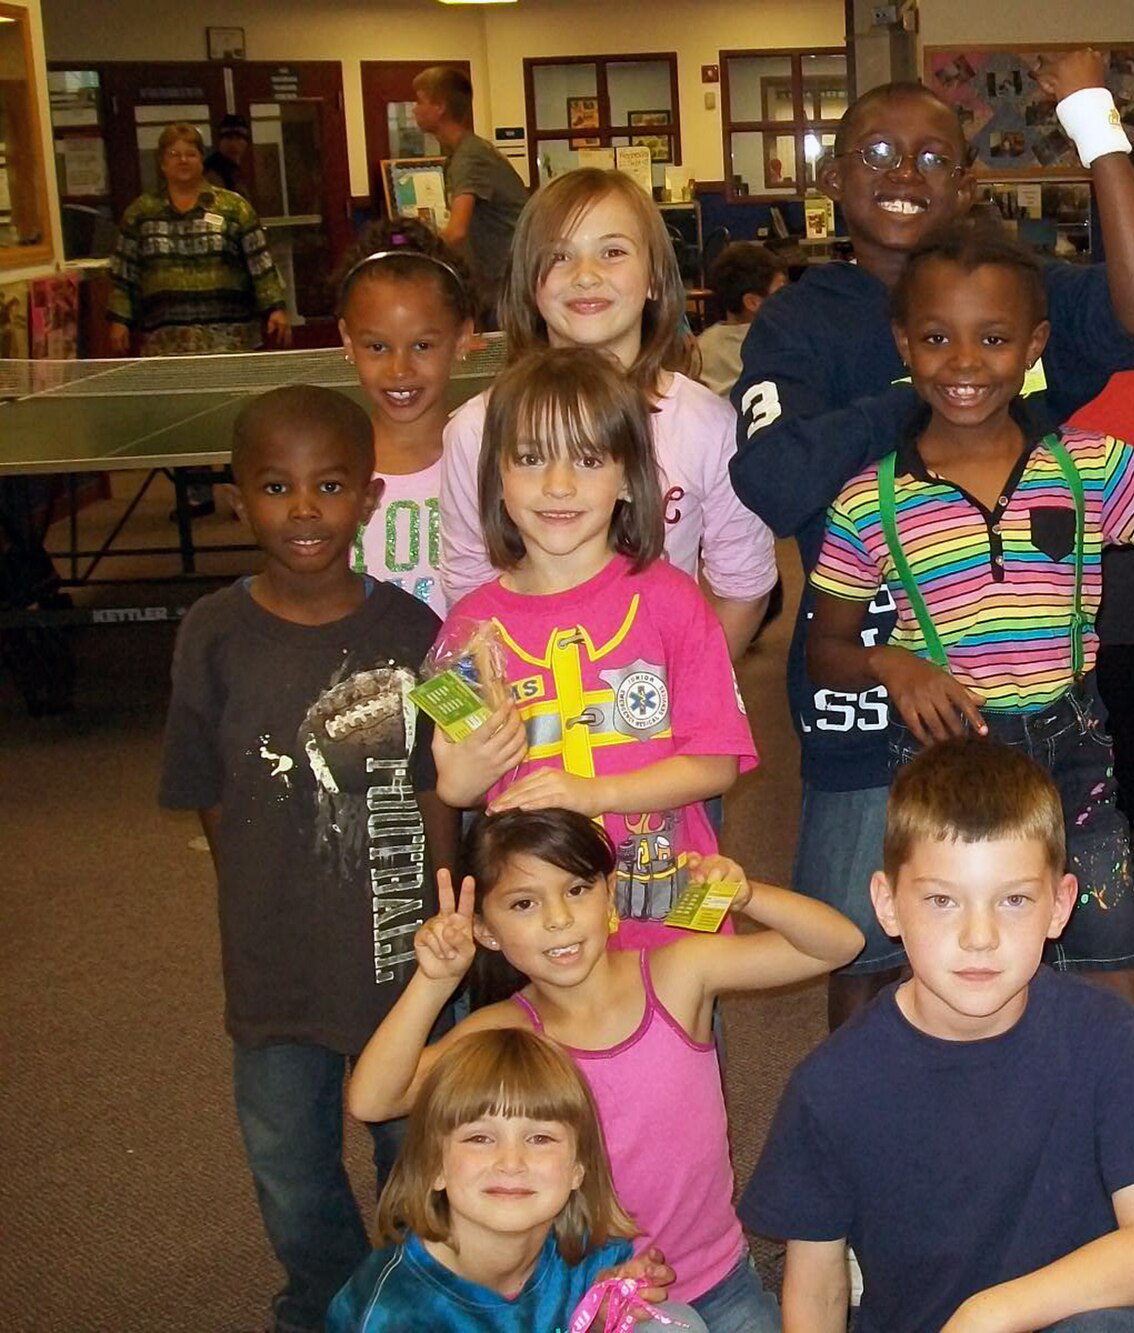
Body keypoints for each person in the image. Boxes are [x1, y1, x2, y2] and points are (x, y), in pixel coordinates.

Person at [727, 60, 1134, 1033]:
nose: (904, 171)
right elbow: (769, 479)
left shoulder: (1017, 294)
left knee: (1066, 929)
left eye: (933, 156)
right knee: (863, 944)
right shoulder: (802, 318)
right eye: (877, 153)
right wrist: (922, 391)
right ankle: (867, 1146)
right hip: (859, 709)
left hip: (1023, 698)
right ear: (834, 178)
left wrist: (1092, 121)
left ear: (967, 184)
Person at [805, 222, 1134, 1050]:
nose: (963, 362)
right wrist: (889, 665)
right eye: (936, 337)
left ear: (1034, 345)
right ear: (902, 345)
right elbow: (825, 653)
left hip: (1075, 755)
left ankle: (1123, 1125)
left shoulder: (1084, 464)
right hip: (949, 769)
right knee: (959, 967)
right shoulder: (866, 502)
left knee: (1114, 952)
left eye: (993, 339)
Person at [159, 384, 456, 1332]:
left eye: (328, 486)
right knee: (287, 1160)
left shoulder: (416, 633)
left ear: (368, 499)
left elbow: (443, 786)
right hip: (273, 958)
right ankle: (329, 1299)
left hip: (400, 961)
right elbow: (204, 782)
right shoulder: (212, 632)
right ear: (237, 498)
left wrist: (444, 920)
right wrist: (249, 888)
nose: (303, 509)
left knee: (415, 1151)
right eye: (276, 486)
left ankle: (423, 1298)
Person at [347, 809, 861, 1333]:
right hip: (590, 1299)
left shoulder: (677, 975)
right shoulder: (507, 1032)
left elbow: (839, 944)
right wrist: (434, 983)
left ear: (609, 893)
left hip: (719, 1278)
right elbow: (375, 1099)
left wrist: (748, 895)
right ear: (487, 930)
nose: (558, 919)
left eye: (577, 890)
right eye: (524, 903)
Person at [738, 737, 1134, 1332]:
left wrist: (989, 1313)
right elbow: (817, 1288)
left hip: (1077, 1315)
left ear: (1059, 907)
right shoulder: (834, 1085)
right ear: (889, 904)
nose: (980, 937)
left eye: (1014, 901)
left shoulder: (1105, 1036)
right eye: (944, 901)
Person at [433, 348, 757, 950]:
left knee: (683, 1035)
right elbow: (456, 786)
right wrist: (469, 772)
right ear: (496, 477)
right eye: (530, 458)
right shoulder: (469, 627)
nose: (558, 485)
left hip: (671, 903)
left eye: (587, 459)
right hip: (544, 926)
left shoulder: (672, 602)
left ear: (629, 478)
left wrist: (594, 794)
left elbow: (716, 765)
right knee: (548, 1045)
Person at [440, 169, 776, 658]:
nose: (586, 274)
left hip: (660, 703)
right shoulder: (477, 428)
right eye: (559, 255)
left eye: (613, 251)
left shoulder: (708, 425)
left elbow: (743, 585)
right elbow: (469, 586)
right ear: (529, 282)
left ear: (656, 279)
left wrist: (691, 693)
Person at [328, 1026, 707, 1332]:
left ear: (579, 1168)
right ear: (434, 1166)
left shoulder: (584, 1255)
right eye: (480, 1138)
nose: (511, 1162)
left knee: (675, 1326)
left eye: (539, 1138)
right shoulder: (395, 1312)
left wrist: (599, 1313)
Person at [338, 220, 477, 616]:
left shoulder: (489, 459)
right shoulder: (330, 467)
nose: (400, 370)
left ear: (462, 339)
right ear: (349, 342)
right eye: (378, 346)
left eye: (422, 345)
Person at [108, 122, 290, 357]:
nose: (183, 160)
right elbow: (124, 275)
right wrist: (119, 319)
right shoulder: (140, 214)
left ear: (201, 160)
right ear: (162, 163)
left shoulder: (235, 208)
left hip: (231, 340)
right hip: (165, 344)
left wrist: (275, 308)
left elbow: (261, 265)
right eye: (174, 154)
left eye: (190, 154)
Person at [412, 65, 530, 317]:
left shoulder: (469, 156)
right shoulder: (463, 152)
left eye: (419, 101)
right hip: (496, 280)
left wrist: (414, 252)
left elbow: (456, 231)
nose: (414, 109)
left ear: (440, 107)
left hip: (505, 284)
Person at [695, 241, 787, 397]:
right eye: (780, 292)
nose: (788, 298)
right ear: (752, 302)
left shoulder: (700, 348)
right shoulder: (780, 344)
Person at [204, 113, 251, 194]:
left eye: (239, 138)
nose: (234, 144)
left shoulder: (235, 169)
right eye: (229, 138)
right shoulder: (213, 172)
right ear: (220, 142)